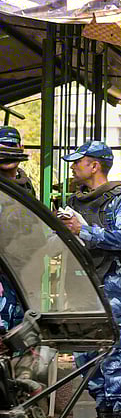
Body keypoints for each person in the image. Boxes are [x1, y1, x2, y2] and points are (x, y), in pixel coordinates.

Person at [62, 141, 121, 418]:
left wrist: (83, 230)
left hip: (111, 283)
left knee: (114, 353)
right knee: (85, 354)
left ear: (94, 165)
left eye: (78, 162)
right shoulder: (75, 201)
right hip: (81, 282)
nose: (73, 167)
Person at [0, 126, 34, 332]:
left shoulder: (26, 187)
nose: (8, 153)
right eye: (3, 147)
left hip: (21, 279)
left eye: (12, 147)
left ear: (21, 148)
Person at [0, 126, 36, 197]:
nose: (7, 153)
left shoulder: (27, 184)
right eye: (1, 149)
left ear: (21, 149)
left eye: (12, 145)